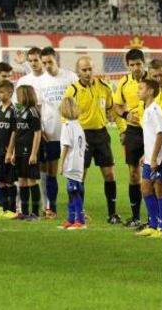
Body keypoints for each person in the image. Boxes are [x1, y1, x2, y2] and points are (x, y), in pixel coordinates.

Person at [64, 56, 120, 224]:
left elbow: (112, 109)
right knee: (80, 176)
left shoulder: (104, 87)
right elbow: (65, 116)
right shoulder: (72, 90)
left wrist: (122, 129)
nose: (88, 73)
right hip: (82, 136)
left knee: (109, 174)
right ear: (78, 72)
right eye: (84, 70)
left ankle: (112, 214)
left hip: (102, 135)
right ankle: (77, 212)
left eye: (90, 69)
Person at [37, 47, 78, 219]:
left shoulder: (70, 77)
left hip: (69, 130)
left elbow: (78, 102)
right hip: (50, 131)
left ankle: (77, 209)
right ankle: (51, 207)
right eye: (44, 62)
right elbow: (39, 107)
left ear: (56, 59)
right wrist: (40, 127)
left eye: (49, 62)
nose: (47, 65)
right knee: (50, 170)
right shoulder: (40, 82)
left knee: (75, 170)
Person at [114, 49, 147, 228]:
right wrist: (126, 115)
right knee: (134, 174)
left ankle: (154, 217)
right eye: (132, 65)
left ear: (144, 62)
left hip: (151, 131)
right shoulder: (124, 82)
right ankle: (135, 216)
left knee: (154, 175)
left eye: (138, 64)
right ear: (128, 65)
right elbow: (117, 106)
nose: (135, 68)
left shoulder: (152, 80)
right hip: (133, 131)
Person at [135, 79, 162, 237]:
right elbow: (151, 135)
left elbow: (161, 133)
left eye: (141, 88)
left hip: (157, 159)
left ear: (150, 91)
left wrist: (155, 157)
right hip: (150, 158)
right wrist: (146, 154)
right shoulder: (147, 109)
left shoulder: (155, 110)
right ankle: (153, 224)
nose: (138, 91)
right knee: (145, 189)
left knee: (159, 190)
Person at [11, 86, 42, 220]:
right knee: (22, 181)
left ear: (26, 95)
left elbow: (37, 133)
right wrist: (13, 152)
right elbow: (17, 133)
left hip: (29, 152)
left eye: (19, 95)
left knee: (31, 181)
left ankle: (35, 213)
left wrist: (34, 153)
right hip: (19, 152)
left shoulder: (33, 111)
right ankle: (24, 212)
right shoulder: (19, 111)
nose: (17, 98)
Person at [0, 80, 18, 219]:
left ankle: (12, 210)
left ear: (10, 93)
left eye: (1, 92)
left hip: (7, 152)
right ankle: (4, 208)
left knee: (9, 181)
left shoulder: (14, 111)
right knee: (0, 180)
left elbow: (14, 132)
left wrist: (10, 151)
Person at [59, 97, 87, 230]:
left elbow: (65, 146)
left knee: (73, 191)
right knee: (73, 191)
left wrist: (61, 164)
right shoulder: (78, 125)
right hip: (79, 162)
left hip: (71, 163)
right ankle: (71, 219)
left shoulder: (67, 126)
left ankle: (80, 221)